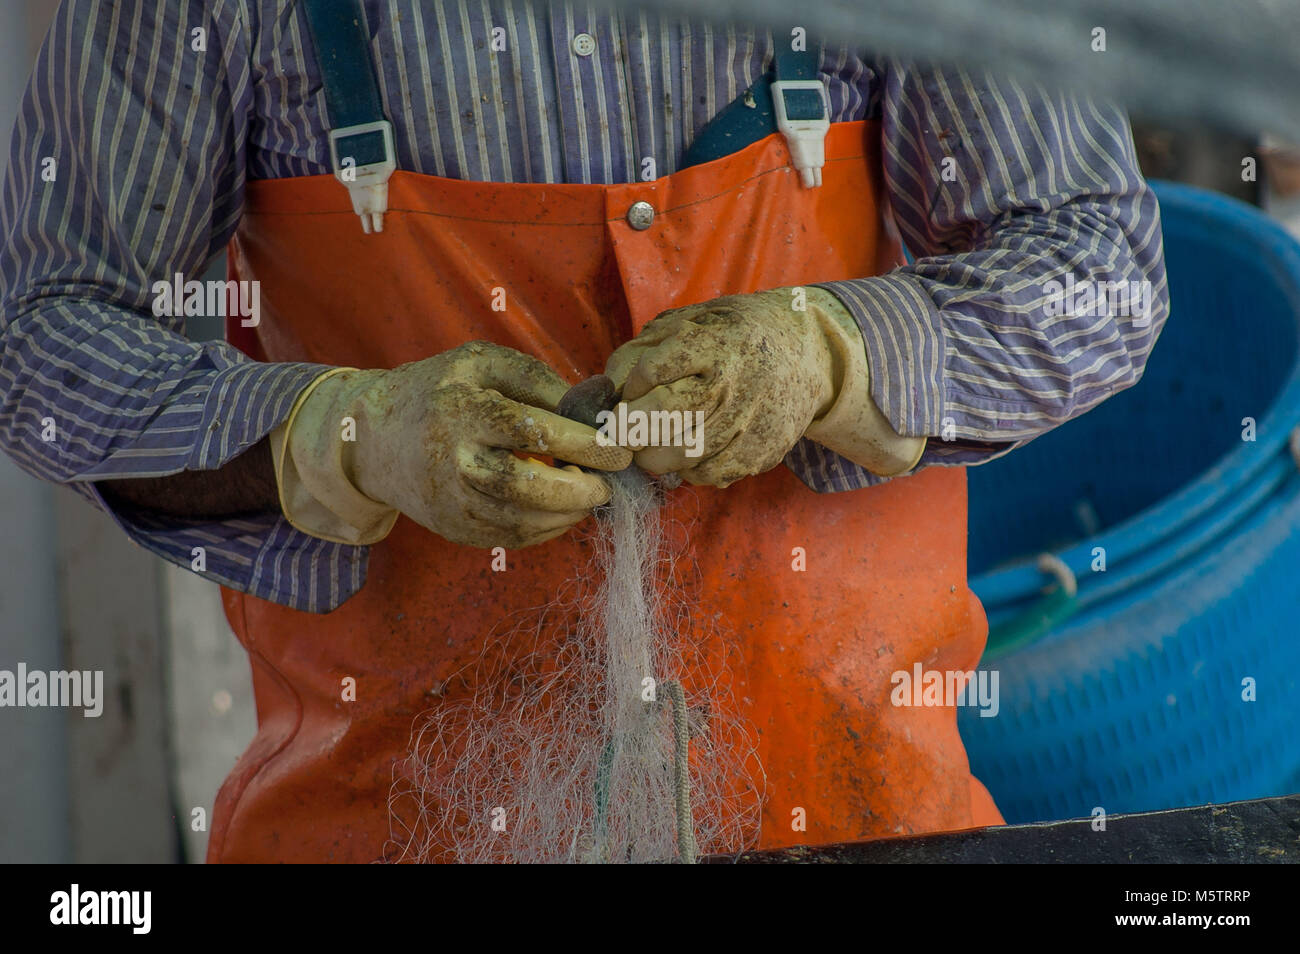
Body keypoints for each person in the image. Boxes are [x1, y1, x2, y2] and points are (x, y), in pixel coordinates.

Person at [0, 0, 1167, 862]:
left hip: (858, 812)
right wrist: (338, 437)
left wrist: (830, 354)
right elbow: (37, 337)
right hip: (386, 822)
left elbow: (1097, 268)